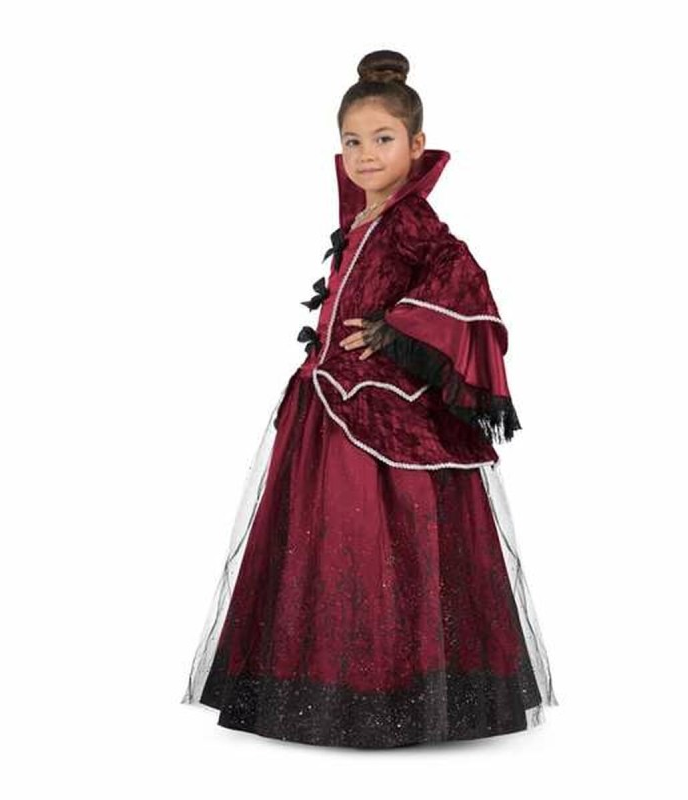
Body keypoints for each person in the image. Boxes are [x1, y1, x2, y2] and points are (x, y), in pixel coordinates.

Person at [180, 49, 558, 748]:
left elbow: (462, 275)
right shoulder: (364, 218)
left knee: (381, 542)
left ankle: (392, 693)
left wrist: (395, 329)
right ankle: (325, 681)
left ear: (417, 145)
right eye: (352, 141)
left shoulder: (412, 221)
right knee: (325, 545)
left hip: (380, 415)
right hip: (329, 407)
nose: (365, 154)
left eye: (383, 139)